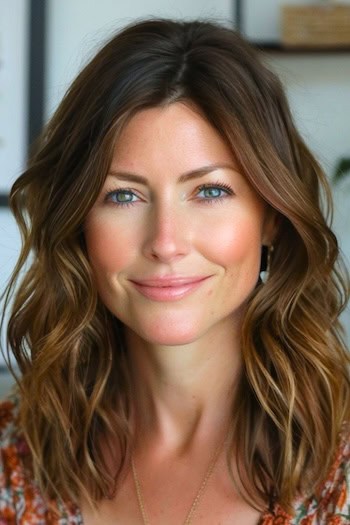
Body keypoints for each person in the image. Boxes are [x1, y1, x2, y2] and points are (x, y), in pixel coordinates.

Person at [0, 17, 349, 525]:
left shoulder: (338, 469)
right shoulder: (15, 459)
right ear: (78, 224)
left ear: (271, 218)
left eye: (209, 191)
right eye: (123, 195)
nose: (165, 242)